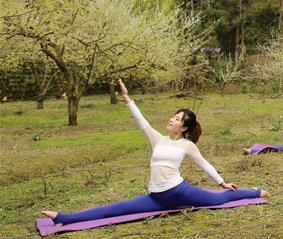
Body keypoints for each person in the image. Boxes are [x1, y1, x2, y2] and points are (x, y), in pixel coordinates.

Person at [42, 79, 267, 225]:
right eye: (174, 115)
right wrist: (128, 99)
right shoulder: (158, 139)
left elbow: (204, 164)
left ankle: (256, 192)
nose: (172, 118)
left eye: (178, 119)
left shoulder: (187, 145)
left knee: (219, 199)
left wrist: (222, 182)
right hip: (156, 196)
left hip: (179, 192)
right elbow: (142, 122)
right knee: (116, 209)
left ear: (185, 127)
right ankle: (64, 218)